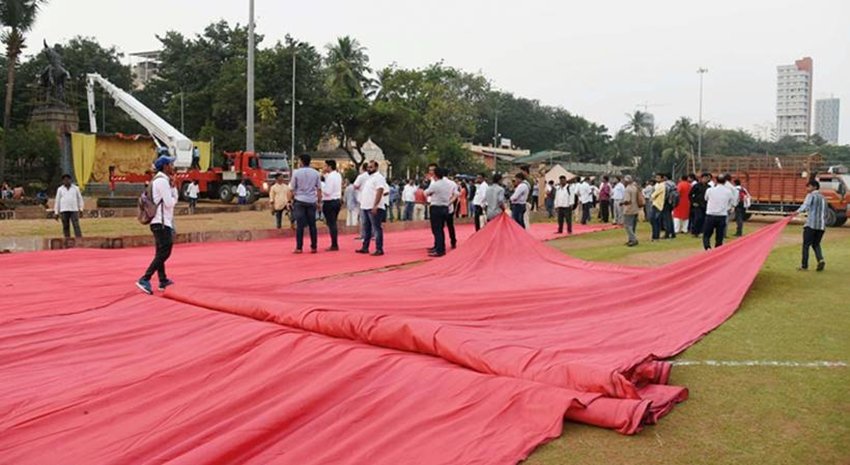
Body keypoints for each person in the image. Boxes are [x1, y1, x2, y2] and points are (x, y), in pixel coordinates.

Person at [136, 155, 179, 295]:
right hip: (161, 222)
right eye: (171, 164)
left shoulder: (160, 180)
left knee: (160, 252)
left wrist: (172, 186)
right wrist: (175, 191)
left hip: (158, 222)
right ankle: (145, 278)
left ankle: (162, 280)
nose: (173, 167)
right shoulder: (162, 182)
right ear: (165, 166)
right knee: (165, 251)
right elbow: (169, 203)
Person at [289, 154, 322, 254]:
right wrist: (319, 202)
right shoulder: (316, 173)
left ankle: (299, 247)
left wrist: (290, 200)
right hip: (311, 201)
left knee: (300, 225)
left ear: (301, 162)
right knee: (313, 225)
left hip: (300, 200)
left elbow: (292, 188)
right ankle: (314, 247)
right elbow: (319, 189)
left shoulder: (296, 173)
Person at [356, 161, 389, 256]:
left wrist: (375, 205)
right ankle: (365, 247)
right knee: (366, 228)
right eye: (368, 167)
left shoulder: (379, 178)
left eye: (371, 167)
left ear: (376, 168)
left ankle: (379, 249)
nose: (369, 169)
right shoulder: (369, 178)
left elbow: (380, 190)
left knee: (376, 228)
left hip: (374, 207)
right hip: (365, 206)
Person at [795, 179, 827, 271]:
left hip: (811, 225)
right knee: (816, 244)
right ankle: (820, 260)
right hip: (821, 226)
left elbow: (805, 206)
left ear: (815, 187)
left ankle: (804, 266)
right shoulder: (823, 197)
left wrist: (796, 212)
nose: (807, 188)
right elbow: (826, 212)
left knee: (806, 245)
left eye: (809, 186)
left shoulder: (811, 195)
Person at [425, 167, 454, 257]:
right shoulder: (449, 184)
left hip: (436, 207)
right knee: (440, 229)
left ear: (435, 175)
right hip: (445, 207)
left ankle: (440, 250)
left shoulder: (435, 184)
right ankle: (440, 247)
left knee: (437, 230)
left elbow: (426, 193)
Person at [702, 174, 736, 250]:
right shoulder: (728, 191)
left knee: (707, 234)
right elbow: (732, 202)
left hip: (710, 214)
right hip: (722, 215)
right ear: (725, 182)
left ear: (716, 181)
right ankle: (718, 250)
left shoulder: (710, 190)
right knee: (719, 236)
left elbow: (706, 199)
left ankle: (707, 247)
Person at [54, 174, 84, 239]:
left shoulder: (76, 188)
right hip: (64, 210)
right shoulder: (60, 189)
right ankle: (67, 240)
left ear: (70, 180)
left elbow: (80, 199)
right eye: (64, 180)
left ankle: (79, 239)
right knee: (65, 226)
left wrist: (81, 209)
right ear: (62, 181)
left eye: (68, 179)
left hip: (74, 210)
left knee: (76, 225)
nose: (66, 181)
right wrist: (56, 212)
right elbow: (57, 201)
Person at [321, 159, 343, 251]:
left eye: (325, 166)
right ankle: (334, 243)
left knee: (331, 223)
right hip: (337, 200)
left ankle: (334, 244)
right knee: (332, 222)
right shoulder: (338, 175)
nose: (323, 168)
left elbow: (327, 191)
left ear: (329, 167)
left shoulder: (330, 177)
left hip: (330, 201)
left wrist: (321, 185)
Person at [621, 175, 642, 247]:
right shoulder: (635, 187)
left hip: (629, 209)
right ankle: (631, 239)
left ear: (626, 181)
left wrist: (622, 203)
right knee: (633, 226)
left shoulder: (627, 189)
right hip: (635, 209)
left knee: (627, 226)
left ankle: (633, 239)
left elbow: (627, 200)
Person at [352, 163, 370, 240]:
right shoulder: (372, 176)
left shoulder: (361, 176)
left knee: (363, 218)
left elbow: (355, 185)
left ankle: (364, 235)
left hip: (362, 198)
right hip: (371, 198)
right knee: (371, 218)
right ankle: (372, 234)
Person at [650, 174, 666, 241]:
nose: (657, 179)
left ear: (662, 179)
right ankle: (655, 236)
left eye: (658, 178)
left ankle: (655, 236)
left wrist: (651, 197)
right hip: (656, 204)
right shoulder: (659, 185)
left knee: (655, 221)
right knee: (655, 221)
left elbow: (654, 194)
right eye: (656, 178)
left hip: (657, 205)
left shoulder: (661, 185)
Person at [662, 174, 677, 239]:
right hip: (672, 202)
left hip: (667, 202)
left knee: (666, 218)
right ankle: (672, 232)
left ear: (665, 177)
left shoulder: (665, 184)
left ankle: (667, 233)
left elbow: (665, 193)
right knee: (670, 218)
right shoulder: (673, 184)